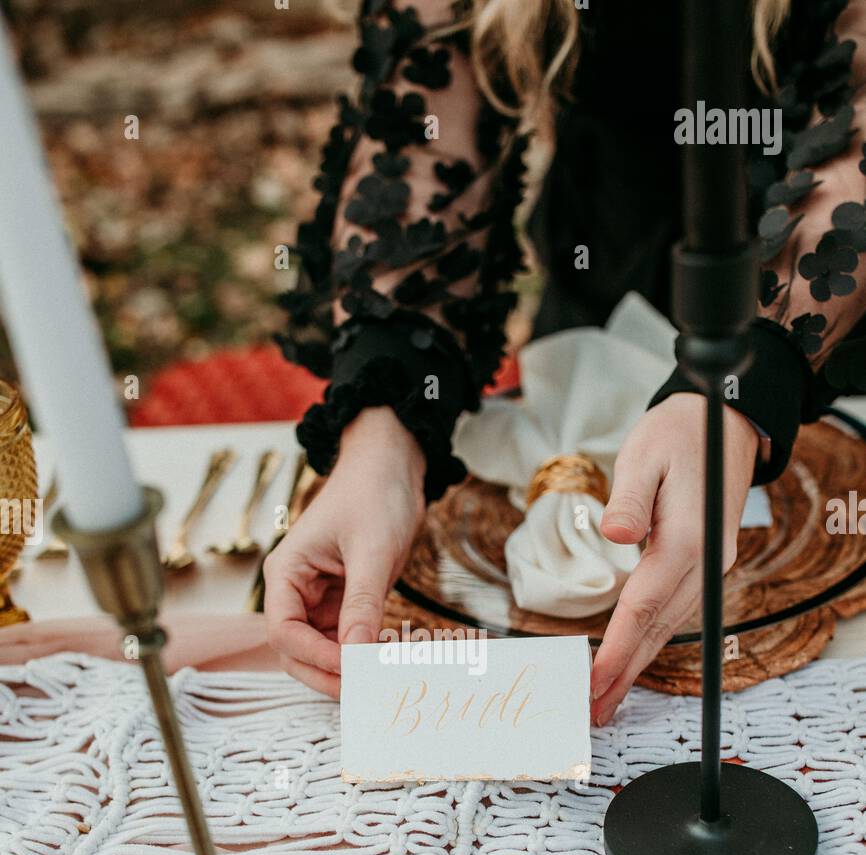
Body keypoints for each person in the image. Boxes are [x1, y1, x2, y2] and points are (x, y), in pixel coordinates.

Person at [265, 0, 866, 723]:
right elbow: (425, 118)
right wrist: (383, 428)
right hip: (600, 322)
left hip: (826, 340)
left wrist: (744, 383)